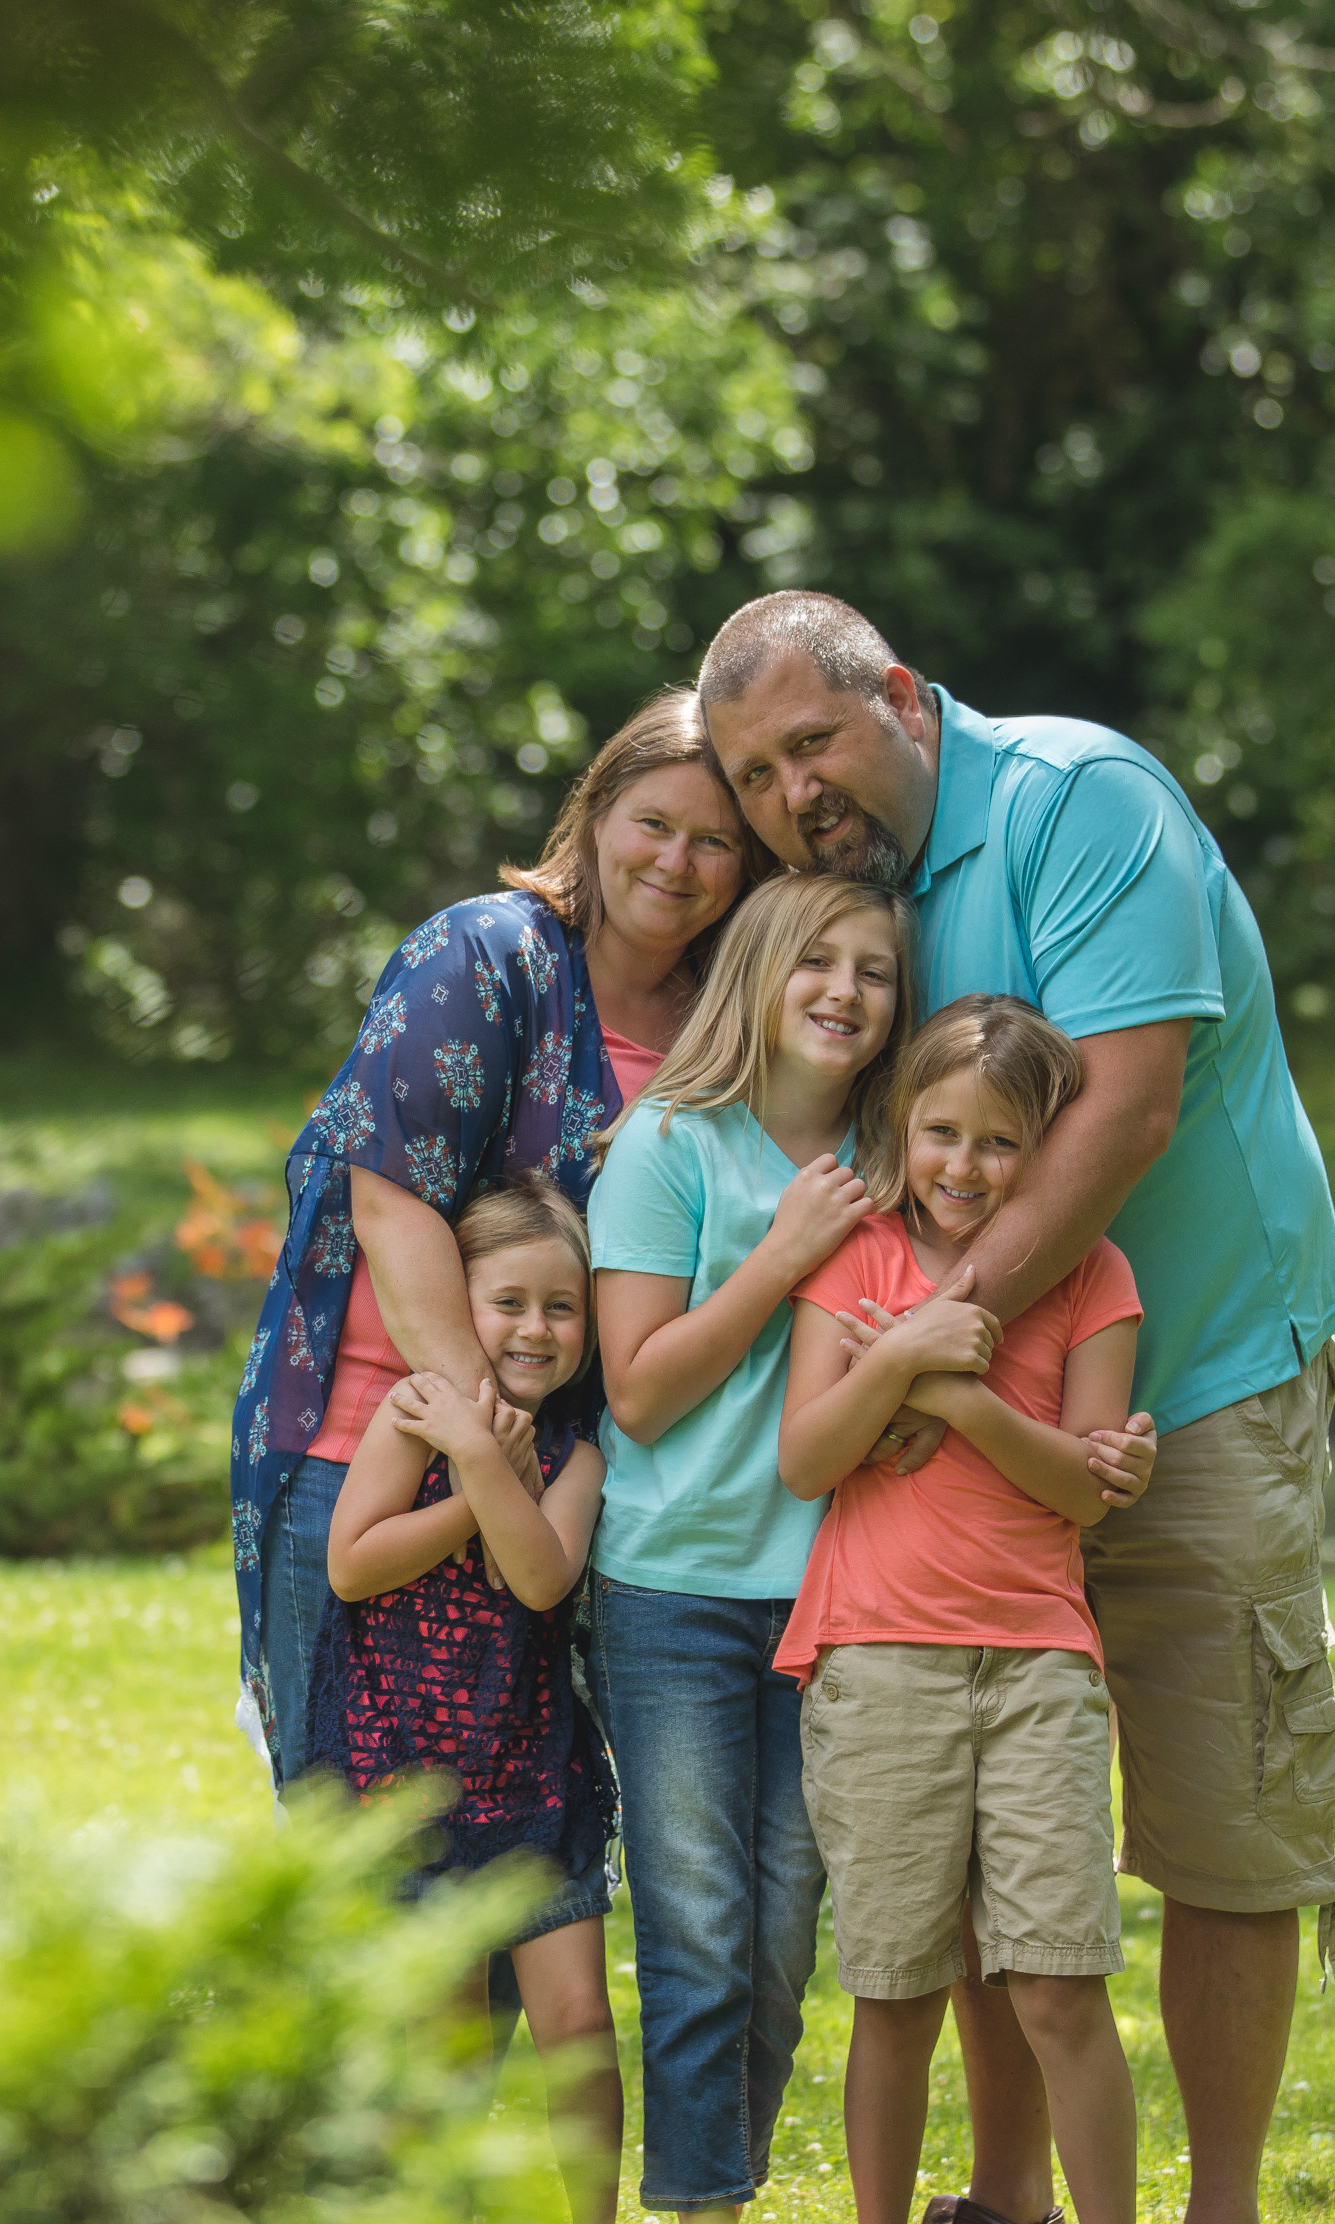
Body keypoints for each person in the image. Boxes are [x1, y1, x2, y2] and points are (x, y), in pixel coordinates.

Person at [698, 591, 1335, 2224]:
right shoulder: (856, 897)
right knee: (997, 1840)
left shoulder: (1083, 802)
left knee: (1218, 1828)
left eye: (811, 744)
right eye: (756, 775)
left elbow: (1125, 1109)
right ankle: (1003, 2206)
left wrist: (930, 1338)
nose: (791, 794)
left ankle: (1217, 2209)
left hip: (1194, 1380)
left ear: (904, 702)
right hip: (966, 1441)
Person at [228, 688, 770, 1784]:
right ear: (597, 813)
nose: (678, 861)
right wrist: (489, 1433)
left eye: (716, 841)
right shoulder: (486, 952)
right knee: (364, 1840)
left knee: (513, 1827)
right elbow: (389, 1195)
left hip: (563, 1479)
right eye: (654, 823)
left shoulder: (724, 1015)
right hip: (376, 1446)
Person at [774, 997, 1155, 2224]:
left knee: (1057, 1986)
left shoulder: (1093, 1271)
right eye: (942, 1131)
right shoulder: (861, 1260)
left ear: (1046, 1147)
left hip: (1039, 1662)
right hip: (878, 1658)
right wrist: (897, 1357)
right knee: (895, 1992)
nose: (964, 1166)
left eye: (1001, 1141)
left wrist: (967, 1396)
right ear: (903, 1120)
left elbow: (1084, 1489)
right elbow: (807, 1457)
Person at [580, 870, 909, 2216]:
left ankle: (722, 2183)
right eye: (815, 962)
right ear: (760, 978)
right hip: (674, 1592)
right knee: (699, 1932)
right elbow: (641, 1391)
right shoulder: (670, 1143)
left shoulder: (897, 1165)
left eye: (875, 971)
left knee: (781, 1935)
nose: (843, 991)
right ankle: (703, 2207)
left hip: (832, 1590)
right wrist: (780, 1259)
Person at [313, 1174, 622, 2224]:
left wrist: (491, 1462)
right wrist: (481, 1460)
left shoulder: (577, 1459)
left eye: (562, 1306)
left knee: (578, 2020)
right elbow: (353, 1563)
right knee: (446, 2036)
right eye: (510, 1301)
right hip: (414, 1781)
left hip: (537, 1777)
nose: (536, 1327)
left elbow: (539, 1577)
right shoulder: (412, 1414)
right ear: (462, 1304)